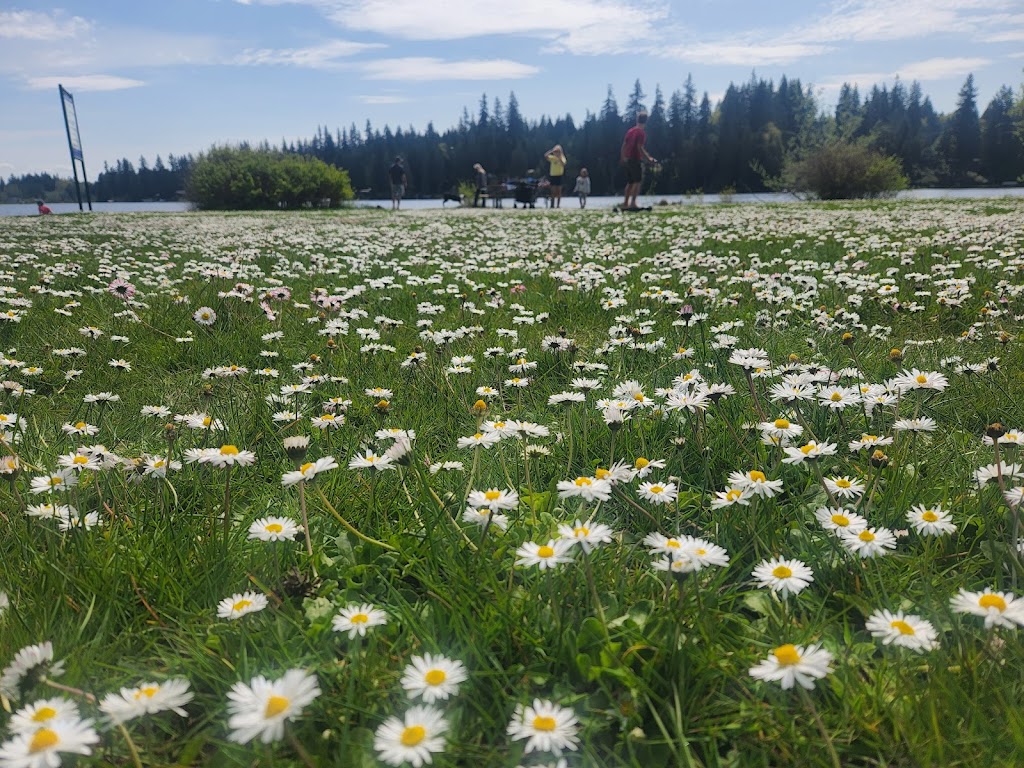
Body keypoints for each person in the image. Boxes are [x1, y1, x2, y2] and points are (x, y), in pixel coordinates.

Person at [620, 111, 656, 211]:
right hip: (635, 159)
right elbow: (639, 147)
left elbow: (624, 145)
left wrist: (623, 157)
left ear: (637, 120)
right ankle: (633, 203)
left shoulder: (630, 131)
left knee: (630, 182)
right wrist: (648, 158)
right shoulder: (641, 132)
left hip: (627, 159)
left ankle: (625, 203)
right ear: (646, 121)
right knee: (637, 181)